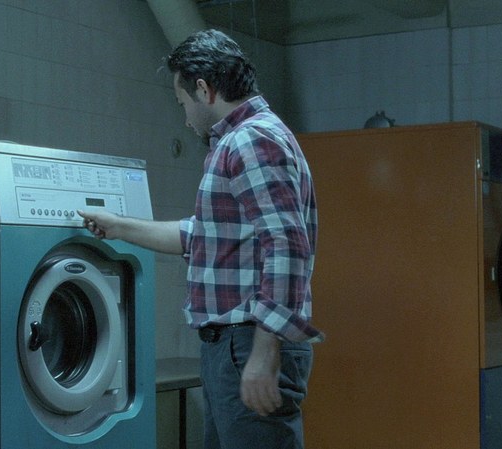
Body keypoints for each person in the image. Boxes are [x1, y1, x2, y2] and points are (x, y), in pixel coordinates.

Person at [77, 29, 323, 449]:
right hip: (235, 345)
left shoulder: (251, 140)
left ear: (205, 90)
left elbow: (287, 247)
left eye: (183, 103)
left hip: (248, 341)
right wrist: (118, 226)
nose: (185, 117)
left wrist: (264, 351)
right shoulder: (243, 140)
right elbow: (203, 236)